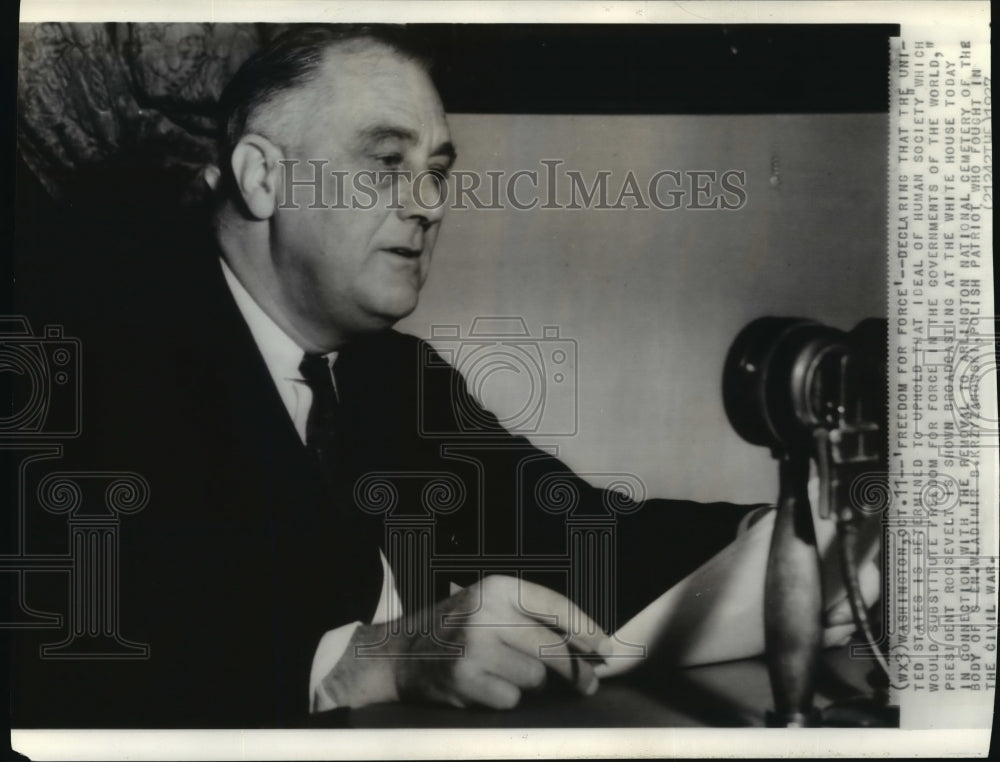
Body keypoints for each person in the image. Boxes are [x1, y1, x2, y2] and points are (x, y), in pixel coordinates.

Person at [9, 24, 865, 728]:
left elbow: (573, 535)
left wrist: (797, 531)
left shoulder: (390, 373)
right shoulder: (83, 348)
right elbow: (61, 651)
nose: (428, 205)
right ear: (262, 177)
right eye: (387, 162)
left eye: (438, 172)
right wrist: (360, 664)